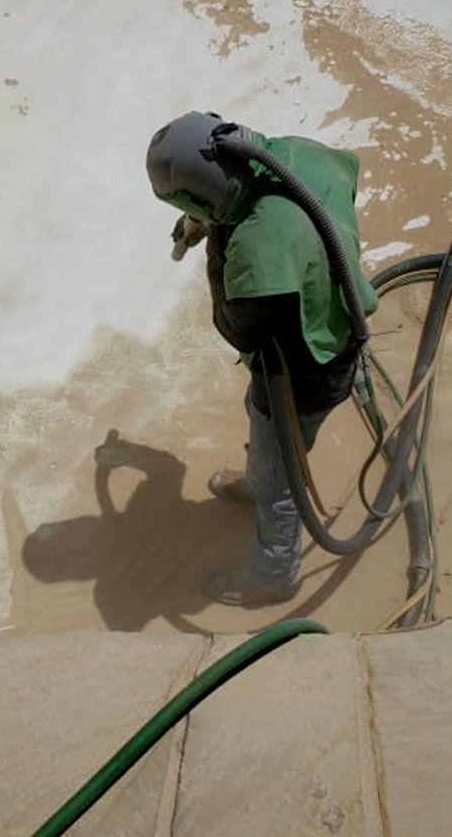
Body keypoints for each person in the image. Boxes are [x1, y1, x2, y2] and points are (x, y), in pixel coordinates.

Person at [145, 111, 378, 606]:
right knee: (260, 422)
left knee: (281, 474)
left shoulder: (255, 251)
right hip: (337, 312)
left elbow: (235, 324)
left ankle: (275, 574)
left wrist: (216, 238)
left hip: (306, 370)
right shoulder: (297, 155)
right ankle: (258, 479)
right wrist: (210, 215)